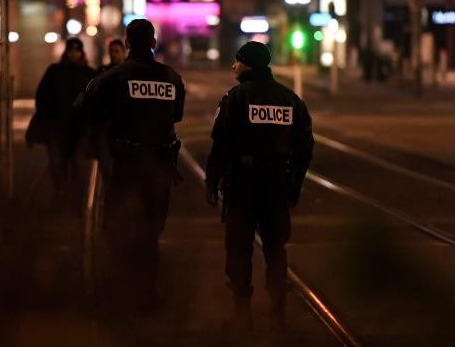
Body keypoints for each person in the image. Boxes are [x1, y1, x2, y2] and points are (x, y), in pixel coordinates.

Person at [205, 41, 314, 333]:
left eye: (237, 61)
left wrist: (212, 182)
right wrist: (295, 184)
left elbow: (221, 146)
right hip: (277, 184)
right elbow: (305, 148)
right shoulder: (290, 99)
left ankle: (243, 314)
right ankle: (277, 313)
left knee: (239, 249)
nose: (233, 66)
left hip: (242, 184)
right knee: (275, 248)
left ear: (248, 64)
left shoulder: (236, 98)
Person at [81, 19, 185, 311]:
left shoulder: (113, 77)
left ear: (127, 43)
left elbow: (86, 109)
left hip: (126, 166)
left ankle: (122, 290)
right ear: (153, 43)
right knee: (150, 232)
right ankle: (147, 292)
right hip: (160, 166)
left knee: (118, 228)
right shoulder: (171, 77)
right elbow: (177, 115)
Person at [34, 37, 96, 208]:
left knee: (78, 163)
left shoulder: (89, 74)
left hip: (79, 129)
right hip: (57, 127)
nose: (73, 54)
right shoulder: (54, 71)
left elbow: (95, 101)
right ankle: (62, 194)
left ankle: (77, 200)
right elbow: (42, 97)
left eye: (76, 51)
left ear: (81, 53)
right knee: (56, 163)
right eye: (70, 51)